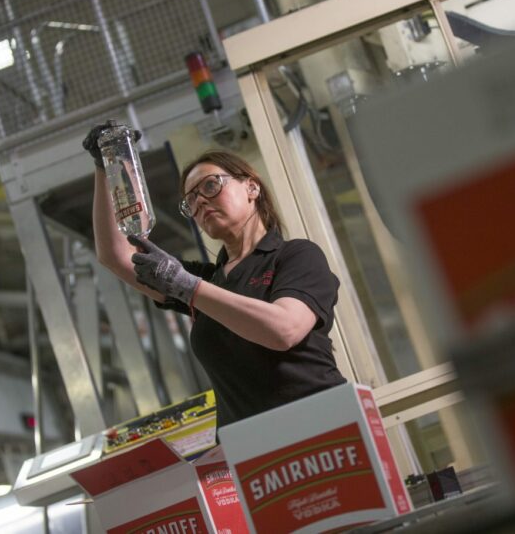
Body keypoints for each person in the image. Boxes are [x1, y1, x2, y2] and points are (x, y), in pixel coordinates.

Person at [83, 122, 346, 427]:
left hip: (324, 424)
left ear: (251, 187)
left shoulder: (296, 255)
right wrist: (107, 166)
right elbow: (117, 256)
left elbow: (284, 330)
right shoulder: (208, 280)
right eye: (191, 201)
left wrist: (188, 287)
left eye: (210, 186)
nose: (200, 202)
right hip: (253, 444)